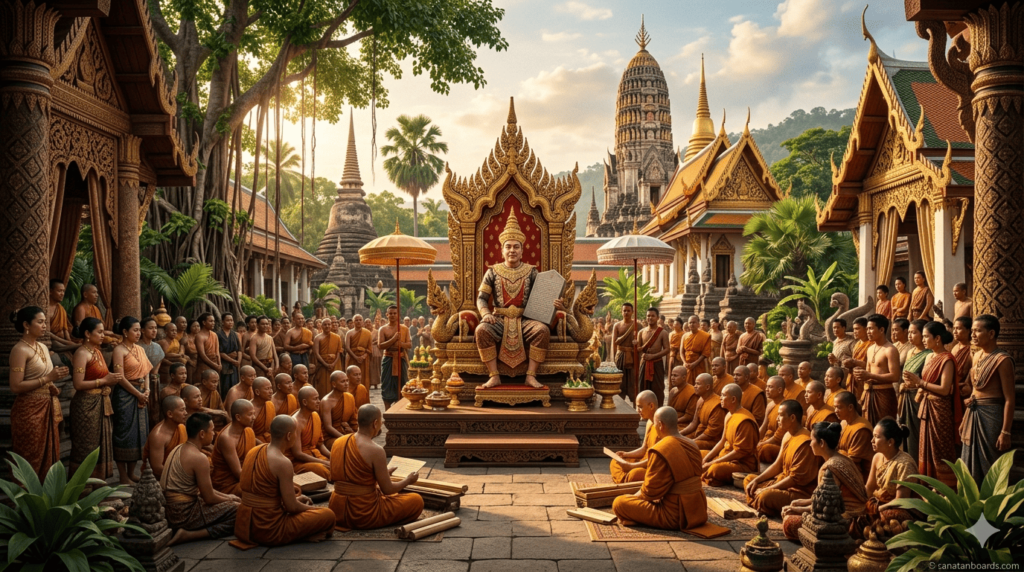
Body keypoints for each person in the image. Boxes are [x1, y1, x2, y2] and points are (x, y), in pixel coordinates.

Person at [474, 211, 564, 389]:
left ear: (522, 250)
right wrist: (485, 314)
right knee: (481, 330)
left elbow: (542, 298)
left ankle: (531, 375)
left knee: (542, 330)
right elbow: (482, 298)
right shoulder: (492, 271)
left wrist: (555, 304)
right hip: (499, 319)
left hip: (525, 320)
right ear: (502, 250)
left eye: (516, 247)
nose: (512, 250)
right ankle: (494, 375)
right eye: (508, 247)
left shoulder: (532, 271)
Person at [232, 415, 336, 548]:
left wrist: (297, 500)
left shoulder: (254, 450)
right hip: (269, 529)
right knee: (328, 515)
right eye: (295, 434)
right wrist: (312, 509)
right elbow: (291, 508)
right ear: (288, 436)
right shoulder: (283, 462)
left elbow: (267, 493)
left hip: (244, 524)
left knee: (305, 505)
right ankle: (302, 536)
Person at [611, 406, 708, 531]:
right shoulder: (692, 444)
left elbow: (649, 492)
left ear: (661, 425)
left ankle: (635, 518)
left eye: (655, 424)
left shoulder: (662, 449)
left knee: (619, 503)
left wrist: (631, 500)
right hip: (698, 509)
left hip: (675, 516)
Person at [329, 404, 424, 530]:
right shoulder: (376, 450)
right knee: (416, 500)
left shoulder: (338, 442)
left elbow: (348, 478)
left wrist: (382, 474)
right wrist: (408, 480)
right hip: (362, 513)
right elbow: (388, 490)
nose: (381, 425)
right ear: (375, 423)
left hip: (337, 510)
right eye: (380, 422)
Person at [8, 306, 69, 480]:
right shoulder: (20, 350)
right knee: (30, 456)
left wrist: (55, 375)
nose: (44, 326)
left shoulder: (42, 346)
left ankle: (47, 498)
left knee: (50, 454)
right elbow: (15, 386)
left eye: (45, 322)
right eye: (40, 322)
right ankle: (27, 500)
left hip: (47, 405)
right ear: (26, 324)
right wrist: (48, 377)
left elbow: (45, 377)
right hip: (29, 410)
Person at [161, 413, 240, 546]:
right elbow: (209, 498)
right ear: (202, 434)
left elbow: (205, 492)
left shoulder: (178, 448)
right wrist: (231, 499)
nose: (214, 433)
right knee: (241, 512)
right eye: (212, 430)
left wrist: (229, 497)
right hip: (183, 515)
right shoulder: (199, 458)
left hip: (169, 510)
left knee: (235, 503)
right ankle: (189, 535)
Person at [781, 421, 867, 540]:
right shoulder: (843, 458)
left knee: (789, 522)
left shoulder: (828, 468)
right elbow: (825, 499)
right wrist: (802, 502)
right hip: (859, 516)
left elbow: (825, 508)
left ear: (821, 443)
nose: (810, 444)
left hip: (845, 521)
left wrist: (798, 510)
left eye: (812, 440)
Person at [903, 321, 961, 488]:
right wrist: (914, 384)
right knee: (925, 447)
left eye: (927, 336)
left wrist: (920, 382)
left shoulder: (947, 359)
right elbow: (925, 383)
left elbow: (944, 389)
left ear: (937, 338)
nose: (924, 339)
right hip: (926, 407)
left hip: (940, 409)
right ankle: (926, 486)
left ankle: (943, 489)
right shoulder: (929, 356)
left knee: (939, 450)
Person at [960, 315, 1015, 482]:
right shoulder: (976, 356)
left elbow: (1009, 399)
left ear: (991, 334)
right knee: (969, 459)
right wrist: (969, 397)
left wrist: (1005, 431)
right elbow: (973, 388)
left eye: (978, 331)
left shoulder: (1002, 360)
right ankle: (972, 502)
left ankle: (993, 504)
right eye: (972, 331)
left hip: (992, 416)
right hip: (974, 413)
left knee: (991, 462)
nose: (973, 335)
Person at [69, 317, 122, 478]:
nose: (102, 335)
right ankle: (82, 487)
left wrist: (110, 378)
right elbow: (78, 384)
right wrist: (104, 381)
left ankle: (97, 486)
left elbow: (101, 374)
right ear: (87, 333)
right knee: (87, 446)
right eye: (99, 332)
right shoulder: (81, 353)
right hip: (85, 405)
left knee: (100, 443)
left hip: (100, 402)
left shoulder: (97, 351)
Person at [743, 400, 816, 517]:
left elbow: (794, 479)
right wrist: (757, 480)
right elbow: (777, 465)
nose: (777, 418)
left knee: (765, 497)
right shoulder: (787, 435)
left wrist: (768, 489)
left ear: (792, 418)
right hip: (782, 482)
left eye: (781, 415)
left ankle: (764, 505)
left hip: (798, 492)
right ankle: (764, 506)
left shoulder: (805, 442)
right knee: (749, 480)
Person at [855, 418, 919, 532]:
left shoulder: (905, 463)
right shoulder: (877, 457)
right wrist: (855, 501)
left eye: (877, 437)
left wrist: (879, 509)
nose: (872, 441)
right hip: (877, 505)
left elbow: (901, 500)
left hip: (896, 509)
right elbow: (869, 488)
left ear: (890, 442)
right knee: (855, 513)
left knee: (887, 517)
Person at [111, 317, 152, 484]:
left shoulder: (140, 349)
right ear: (125, 332)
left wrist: (147, 390)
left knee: (138, 434)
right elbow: (119, 377)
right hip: (125, 394)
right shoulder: (119, 350)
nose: (138, 333)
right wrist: (137, 393)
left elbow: (147, 371)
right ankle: (122, 476)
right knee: (124, 433)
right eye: (135, 330)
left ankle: (131, 472)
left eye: (139, 330)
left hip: (142, 392)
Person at [701, 384, 759, 486]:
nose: (720, 398)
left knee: (715, 469)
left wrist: (713, 462)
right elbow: (722, 440)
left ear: (733, 399)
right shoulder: (728, 415)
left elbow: (739, 452)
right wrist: (706, 459)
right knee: (698, 455)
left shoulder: (745, 421)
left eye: (723, 395)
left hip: (742, 464)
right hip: (725, 456)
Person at [854, 314, 900, 425]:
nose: (868, 332)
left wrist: (870, 376)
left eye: (870, 328)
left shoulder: (890, 350)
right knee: (869, 428)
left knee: (884, 430)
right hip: (869, 393)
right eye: (867, 329)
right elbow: (868, 372)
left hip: (884, 394)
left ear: (881, 329)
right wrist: (861, 375)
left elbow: (895, 376)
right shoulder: (870, 349)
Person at [897, 319, 930, 459]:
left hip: (918, 397)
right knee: (904, 429)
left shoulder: (929, 354)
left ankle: (918, 461)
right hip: (905, 397)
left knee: (917, 432)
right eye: (909, 332)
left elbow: (927, 379)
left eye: (913, 332)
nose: (910, 336)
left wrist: (915, 385)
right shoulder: (910, 352)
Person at [609, 390, 659, 483]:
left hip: (652, 467)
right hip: (643, 461)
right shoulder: (649, 422)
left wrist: (632, 466)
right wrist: (625, 454)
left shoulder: (661, 427)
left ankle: (625, 479)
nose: (638, 410)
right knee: (615, 461)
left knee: (634, 474)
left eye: (640, 407)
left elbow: (655, 460)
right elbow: (644, 448)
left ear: (651, 406)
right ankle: (625, 480)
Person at [211, 399, 257, 495]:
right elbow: (238, 474)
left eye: (254, 414)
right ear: (238, 417)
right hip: (227, 485)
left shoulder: (247, 430)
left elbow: (258, 452)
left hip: (245, 475)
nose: (254, 417)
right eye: (250, 415)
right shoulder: (227, 439)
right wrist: (263, 477)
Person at [287, 386, 331, 479]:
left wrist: (333, 456)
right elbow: (298, 454)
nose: (319, 401)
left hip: (316, 456)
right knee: (324, 470)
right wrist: (324, 462)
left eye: (318, 398)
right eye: (315, 399)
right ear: (305, 402)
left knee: (339, 465)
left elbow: (321, 444)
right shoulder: (295, 422)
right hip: (300, 463)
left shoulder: (315, 416)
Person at [144, 395, 188, 479]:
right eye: (182, 410)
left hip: (181, 470)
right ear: (170, 414)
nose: (186, 413)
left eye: (185, 409)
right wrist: (182, 477)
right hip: (164, 478)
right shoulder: (158, 436)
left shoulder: (181, 427)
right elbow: (157, 468)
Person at [834, 390, 874, 480]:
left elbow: (852, 461)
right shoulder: (843, 422)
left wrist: (833, 454)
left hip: (860, 476)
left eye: (839, 407)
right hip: (843, 466)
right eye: (835, 407)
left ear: (850, 407)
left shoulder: (861, 429)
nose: (836, 411)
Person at [680, 373, 725, 452]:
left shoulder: (717, 406)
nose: (695, 386)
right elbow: (694, 423)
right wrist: (679, 434)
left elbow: (710, 433)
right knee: (676, 440)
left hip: (712, 441)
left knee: (685, 446)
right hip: (698, 434)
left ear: (707, 387)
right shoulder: (700, 400)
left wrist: (692, 441)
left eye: (698, 384)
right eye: (695, 383)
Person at [379, 306, 411, 409]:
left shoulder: (404, 329)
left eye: (394, 313)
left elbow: (409, 345)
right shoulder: (383, 329)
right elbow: (380, 346)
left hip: (401, 359)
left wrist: (400, 343)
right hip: (388, 359)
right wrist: (393, 339)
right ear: (387, 315)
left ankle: (400, 410)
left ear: (398, 315)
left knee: (402, 385)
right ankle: (387, 410)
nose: (392, 315)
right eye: (390, 313)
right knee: (386, 385)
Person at [637, 308, 670, 405]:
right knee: (642, 387)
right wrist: (642, 353)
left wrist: (653, 356)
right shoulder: (641, 332)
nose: (650, 318)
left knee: (658, 388)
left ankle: (658, 410)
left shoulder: (663, 332)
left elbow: (667, 349)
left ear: (657, 318)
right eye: (648, 316)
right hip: (644, 363)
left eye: (652, 316)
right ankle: (643, 409)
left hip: (657, 364)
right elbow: (639, 349)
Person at [139, 317, 166, 428]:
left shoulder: (158, 347)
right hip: (139, 383)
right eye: (151, 328)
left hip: (153, 383)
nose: (154, 331)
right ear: (143, 330)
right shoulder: (137, 347)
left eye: (155, 328)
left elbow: (155, 371)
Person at [322, 371, 358, 448]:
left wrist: (357, 433)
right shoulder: (326, 401)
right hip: (332, 437)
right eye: (343, 381)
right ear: (334, 384)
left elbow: (353, 420)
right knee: (349, 446)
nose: (346, 384)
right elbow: (328, 427)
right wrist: (345, 438)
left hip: (347, 432)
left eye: (347, 380)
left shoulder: (349, 397)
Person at [757, 377, 787, 463]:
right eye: (766, 386)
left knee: (765, 449)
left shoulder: (785, 407)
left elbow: (778, 437)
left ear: (780, 390)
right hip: (767, 439)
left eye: (770, 387)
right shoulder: (770, 404)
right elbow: (764, 425)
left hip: (777, 444)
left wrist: (762, 444)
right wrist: (755, 440)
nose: (766, 389)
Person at [46, 279, 79, 356]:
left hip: (63, 341)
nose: (62, 294)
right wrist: (66, 342)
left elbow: (65, 329)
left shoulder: (61, 308)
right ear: (50, 291)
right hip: (53, 340)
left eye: (63, 291)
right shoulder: (45, 308)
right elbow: (46, 332)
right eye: (59, 291)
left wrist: (69, 340)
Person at [612, 303, 638, 401]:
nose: (626, 312)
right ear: (621, 312)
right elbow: (614, 343)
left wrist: (637, 343)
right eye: (624, 310)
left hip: (632, 356)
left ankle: (636, 407)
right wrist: (614, 358)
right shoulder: (617, 325)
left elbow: (640, 341)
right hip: (620, 356)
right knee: (620, 382)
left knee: (633, 382)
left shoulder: (637, 325)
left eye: (628, 311)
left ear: (632, 312)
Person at [680, 316, 712, 393]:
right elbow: (681, 351)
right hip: (687, 365)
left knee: (699, 385)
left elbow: (705, 353)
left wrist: (695, 363)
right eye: (690, 322)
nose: (692, 324)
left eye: (694, 322)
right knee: (687, 387)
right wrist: (684, 362)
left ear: (698, 324)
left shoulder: (705, 336)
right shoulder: (684, 336)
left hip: (699, 364)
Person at [842, 317, 872, 400]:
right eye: (853, 329)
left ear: (866, 329)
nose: (854, 331)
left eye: (857, 329)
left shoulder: (872, 344)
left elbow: (872, 366)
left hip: (864, 380)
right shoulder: (857, 343)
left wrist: (854, 362)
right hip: (853, 379)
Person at [312, 318, 342, 397]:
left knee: (336, 383)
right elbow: (316, 353)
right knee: (323, 385)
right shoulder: (317, 338)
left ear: (331, 325)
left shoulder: (337, 337)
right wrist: (325, 364)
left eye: (329, 324)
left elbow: (338, 352)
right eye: (325, 324)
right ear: (321, 326)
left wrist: (333, 363)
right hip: (322, 365)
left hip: (334, 364)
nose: (327, 326)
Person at [345, 314, 373, 389]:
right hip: (352, 358)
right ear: (353, 322)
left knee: (363, 378)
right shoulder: (349, 333)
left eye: (360, 320)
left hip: (364, 359)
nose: (358, 321)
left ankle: (363, 397)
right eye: (356, 320)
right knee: (351, 377)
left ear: (363, 322)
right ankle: (351, 397)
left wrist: (363, 357)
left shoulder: (367, 333)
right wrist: (356, 357)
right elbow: (347, 347)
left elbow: (370, 348)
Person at [217, 313, 241, 396]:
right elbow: (219, 352)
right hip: (224, 365)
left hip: (234, 366)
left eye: (231, 320)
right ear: (223, 322)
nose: (230, 322)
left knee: (235, 386)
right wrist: (231, 359)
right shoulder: (218, 334)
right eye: (228, 320)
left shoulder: (235, 334)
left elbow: (239, 350)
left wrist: (238, 361)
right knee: (224, 387)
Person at [195, 314, 222, 387]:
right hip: (204, 366)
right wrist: (214, 365)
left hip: (216, 365)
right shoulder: (199, 336)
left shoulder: (214, 335)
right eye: (211, 321)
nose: (213, 323)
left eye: (214, 321)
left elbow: (217, 352)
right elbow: (202, 355)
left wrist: (219, 364)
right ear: (204, 322)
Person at [951, 316, 973, 399]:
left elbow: (972, 369)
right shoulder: (955, 347)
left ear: (968, 331)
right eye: (954, 328)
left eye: (958, 328)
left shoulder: (972, 349)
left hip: (964, 388)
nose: (955, 332)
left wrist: (967, 383)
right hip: (952, 387)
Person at [158, 322, 186, 387]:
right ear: (166, 332)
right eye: (172, 330)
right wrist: (178, 356)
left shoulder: (176, 342)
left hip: (176, 366)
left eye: (175, 331)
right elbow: (164, 355)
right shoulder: (163, 342)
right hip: (165, 366)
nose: (174, 332)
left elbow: (181, 353)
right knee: (167, 385)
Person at [250, 377, 276, 443]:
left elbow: (273, 428)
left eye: (271, 388)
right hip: (254, 443)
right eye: (267, 389)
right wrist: (264, 447)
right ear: (257, 392)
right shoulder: (249, 409)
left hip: (270, 440)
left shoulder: (270, 405)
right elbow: (247, 434)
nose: (271, 392)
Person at [183, 320, 199, 385]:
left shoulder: (200, 337)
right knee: (190, 382)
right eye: (194, 326)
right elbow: (182, 352)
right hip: (190, 363)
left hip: (200, 362)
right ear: (190, 327)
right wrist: (190, 361)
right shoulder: (186, 337)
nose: (196, 328)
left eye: (198, 326)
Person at [368, 314, 382, 389]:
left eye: (369, 322)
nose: (368, 324)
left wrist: (373, 343)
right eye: (366, 323)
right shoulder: (365, 332)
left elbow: (378, 340)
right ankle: (370, 382)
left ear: (371, 323)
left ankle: (376, 383)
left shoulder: (376, 331)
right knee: (369, 367)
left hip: (375, 350)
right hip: (368, 351)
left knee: (376, 367)